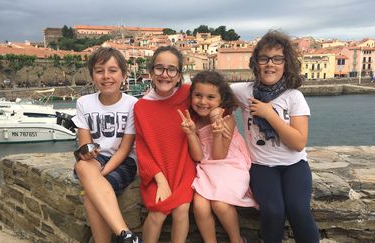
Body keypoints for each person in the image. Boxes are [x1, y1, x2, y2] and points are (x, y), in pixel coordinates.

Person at [231, 30, 320, 242]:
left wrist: (269, 115)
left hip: (294, 165)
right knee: (272, 212)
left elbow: (298, 143)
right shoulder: (243, 92)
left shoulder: (294, 96)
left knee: (298, 210)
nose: (270, 64)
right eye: (264, 58)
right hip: (261, 166)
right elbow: (211, 95)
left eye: (277, 58)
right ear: (256, 63)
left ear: (285, 63)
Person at [178, 70, 257, 243]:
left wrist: (216, 131)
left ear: (221, 100)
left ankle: (236, 240)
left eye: (210, 97)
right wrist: (191, 134)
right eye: (198, 95)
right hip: (207, 166)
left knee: (220, 204)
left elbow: (219, 154)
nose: (203, 102)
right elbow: (198, 156)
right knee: (199, 206)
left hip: (230, 164)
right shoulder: (195, 120)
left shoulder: (226, 118)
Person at [72, 47, 139, 243]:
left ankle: (122, 237)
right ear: (92, 75)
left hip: (124, 160)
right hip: (96, 158)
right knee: (82, 165)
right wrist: (86, 155)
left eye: (112, 70)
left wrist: (99, 176)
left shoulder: (133, 104)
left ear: (123, 75)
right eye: (100, 71)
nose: (106, 76)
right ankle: (126, 234)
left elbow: (125, 148)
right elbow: (85, 145)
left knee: (92, 195)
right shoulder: (84, 103)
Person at [134, 46, 196, 243]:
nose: (165, 74)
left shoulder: (188, 94)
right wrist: (160, 180)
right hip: (157, 171)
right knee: (158, 212)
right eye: (159, 68)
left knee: (182, 209)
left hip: (184, 167)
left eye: (171, 69)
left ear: (179, 76)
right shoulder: (141, 107)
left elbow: (216, 95)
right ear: (151, 72)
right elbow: (142, 150)